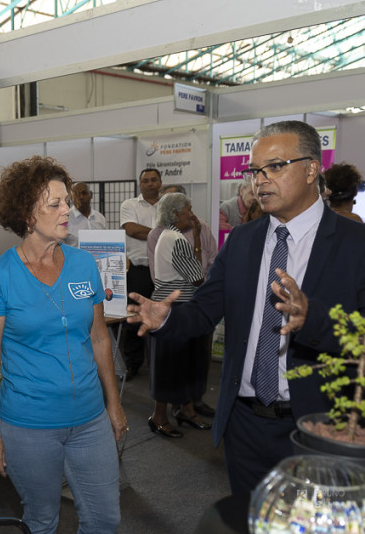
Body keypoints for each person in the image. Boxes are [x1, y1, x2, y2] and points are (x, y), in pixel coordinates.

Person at [126, 120, 365, 495]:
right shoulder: (242, 240)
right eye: (255, 170)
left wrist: (313, 318)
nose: (261, 179)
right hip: (245, 426)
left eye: (274, 166)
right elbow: (206, 309)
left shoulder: (356, 244)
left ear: (311, 170)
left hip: (320, 427)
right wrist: (166, 317)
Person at [0, 156, 127, 534]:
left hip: (90, 420)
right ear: (27, 214)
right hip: (28, 426)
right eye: (55, 203)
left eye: (68, 201)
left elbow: (98, 338)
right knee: (42, 520)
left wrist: (114, 404)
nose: (67, 211)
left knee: (104, 519)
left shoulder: (82, 264)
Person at [147, 184, 217, 418]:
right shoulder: (175, 240)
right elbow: (197, 277)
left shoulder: (167, 236)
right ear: (176, 214)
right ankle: (160, 417)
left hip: (174, 307)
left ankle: (185, 411)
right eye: (188, 209)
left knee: (179, 364)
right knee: (171, 366)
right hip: (174, 309)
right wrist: (196, 239)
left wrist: (196, 237)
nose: (191, 214)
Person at [119, 168, 162, 380]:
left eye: (154, 180)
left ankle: (161, 362)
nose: (150, 183)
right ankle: (132, 364)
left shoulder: (168, 204)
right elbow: (131, 229)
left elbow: (180, 229)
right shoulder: (130, 205)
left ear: (160, 182)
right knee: (135, 318)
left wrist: (151, 234)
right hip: (139, 271)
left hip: (166, 272)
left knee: (164, 317)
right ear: (140, 184)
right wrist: (162, 234)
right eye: (145, 180)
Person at [64, 181, 108, 247]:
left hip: (97, 257)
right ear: (72, 197)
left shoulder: (100, 218)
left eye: (84, 193)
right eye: (77, 194)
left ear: (91, 194)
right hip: (74, 257)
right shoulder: (65, 218)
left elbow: (107, 241)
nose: (81, 197)